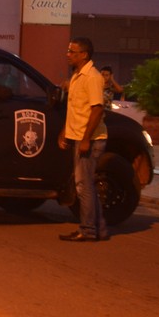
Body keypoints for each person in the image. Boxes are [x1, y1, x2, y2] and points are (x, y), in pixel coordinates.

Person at [58, 37, 109, 242]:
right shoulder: (78, 76)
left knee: (83, 186)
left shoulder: (92, 77)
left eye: (72, 51)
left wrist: (86, 139)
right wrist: (64, 131)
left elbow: (97, 109)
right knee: (85, 185)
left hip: (89, 139)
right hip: (78, 136)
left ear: (84, 55)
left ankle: (88, 230)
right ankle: (100, 229)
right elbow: (76, 109)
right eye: (68, 50)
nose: (68, 54)